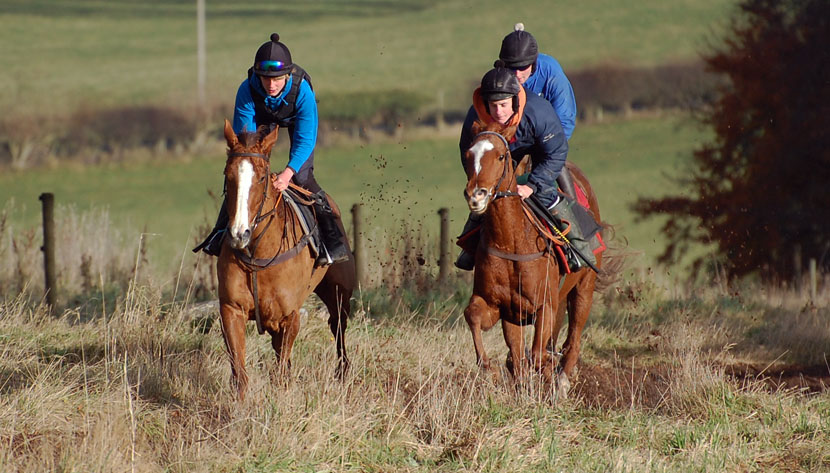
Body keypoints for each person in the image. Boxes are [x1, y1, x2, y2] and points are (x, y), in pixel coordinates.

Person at [194, 33, 349, 266]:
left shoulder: (303, 92)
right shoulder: (247, 90)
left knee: (303, 177)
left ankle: (332, 241)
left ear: (288, 75)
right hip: (262, 121)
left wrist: (287, 174)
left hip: (296, 121)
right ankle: (219, 234)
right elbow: (244, 140)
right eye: (265, 78)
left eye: (277, 79)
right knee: (243, 178)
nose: (271, 84)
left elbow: (306, 140)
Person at [455, 66, 596, 271]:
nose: (498, 112)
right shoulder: (474, 118)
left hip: (540, 150)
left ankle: (577, 247)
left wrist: (533, 185)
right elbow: (467, 154)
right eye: (493, 106)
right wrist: (484, 181)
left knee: (545, 192)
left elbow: (556, 152)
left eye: (503, 105)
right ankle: (468, 248)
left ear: (514, 101)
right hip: (499, 154)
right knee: (485, 198)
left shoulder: (538, 112)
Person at [498, 22, 581, 204]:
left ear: (534, 63)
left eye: (523, 68)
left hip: (546, 141)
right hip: (512, 143)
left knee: (557, 169)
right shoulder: (499, 78)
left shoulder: (552, 75)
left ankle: (579, 225)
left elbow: (565, 122)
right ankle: (473, 226)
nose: (517, 74)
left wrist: (544, 150)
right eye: (511, 68)